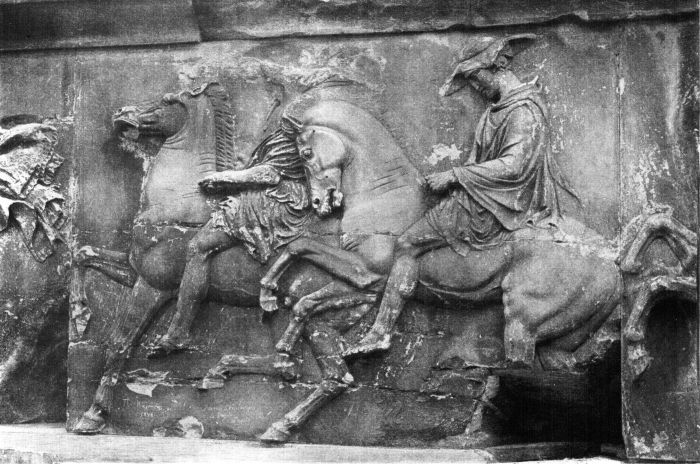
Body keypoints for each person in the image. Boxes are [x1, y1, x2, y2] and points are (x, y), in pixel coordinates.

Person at [347, 34, 578, 356]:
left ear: (498, 64)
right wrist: (448, 180)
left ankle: (381, 333)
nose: (475, 87)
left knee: (407, 243)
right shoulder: (496, 111)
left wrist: (454, 176)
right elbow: (476, 162)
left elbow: (513, 166)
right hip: (480, 194)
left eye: (476, 77)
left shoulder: (523, 111)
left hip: (500, 204)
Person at [149, 115, 312, 357]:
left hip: (277, 198)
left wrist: (225, 178)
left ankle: (178, 333)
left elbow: (271, 174)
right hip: (275, 193)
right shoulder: (298, 120)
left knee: (199, 246)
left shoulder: (296, 124)